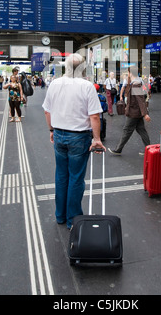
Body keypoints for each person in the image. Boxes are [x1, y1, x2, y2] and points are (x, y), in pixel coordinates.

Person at [42, 53, 105, 229]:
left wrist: (52, 130)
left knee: (61, 176)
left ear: (66, 67)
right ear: (83, 68)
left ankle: (60, 216)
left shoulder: (54, 84)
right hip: (79, 137)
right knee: (76, 178)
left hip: (60, 135)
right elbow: (94, 116)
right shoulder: (87, 86)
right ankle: (73, 220)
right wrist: (97, 139)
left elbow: (47, 111)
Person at [108, 66, 151, 156]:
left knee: (126, 130)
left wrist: (145, 114)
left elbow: (140, 100)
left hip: (134, 112)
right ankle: (149, 149)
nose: (127, 75)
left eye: (128, 73)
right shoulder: (135, 83)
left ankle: (118, 149)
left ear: (131, 73)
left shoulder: (136, 84)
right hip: (136, 111)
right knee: (141, 130)